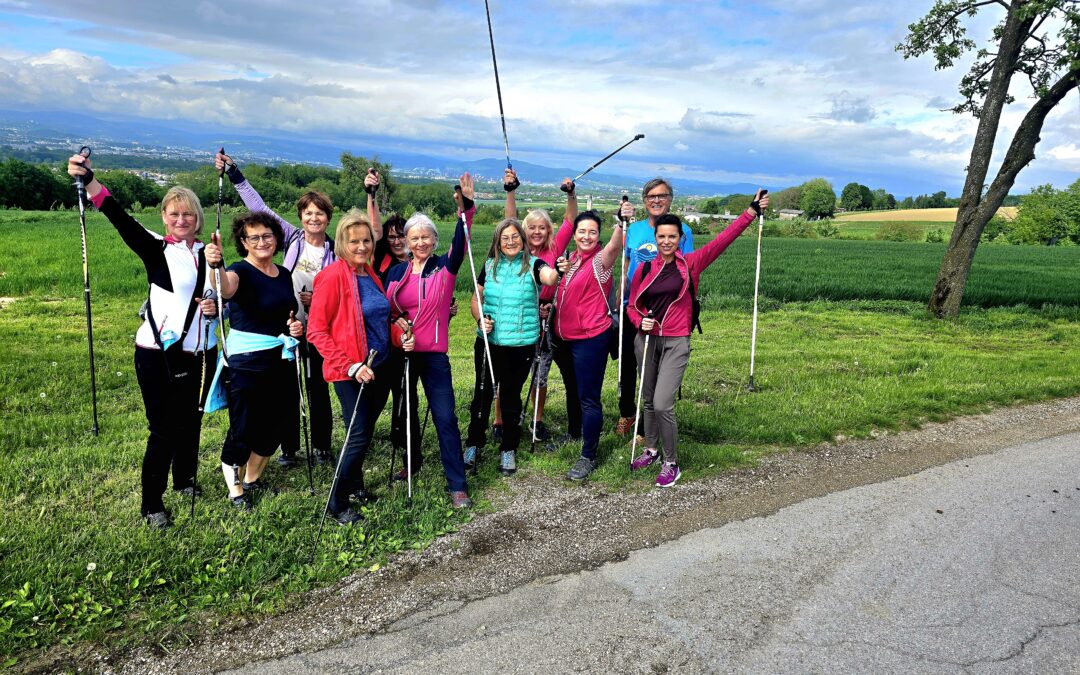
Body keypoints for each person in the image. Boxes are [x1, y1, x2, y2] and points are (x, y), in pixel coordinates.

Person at [67, 154, 218, 529]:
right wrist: (88, 180)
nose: (181, 220)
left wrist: (217, 306)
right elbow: (118, 215)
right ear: (164, 217)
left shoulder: (209, 253)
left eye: (188, 214)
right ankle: (152, 504)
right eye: (173, 214)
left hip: (203, 351)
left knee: (192, 421)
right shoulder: (156, 248)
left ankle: (185, 481)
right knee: (165, 427)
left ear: (198, 218)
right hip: (159, 354)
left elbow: (223, 295)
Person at [215, 150, 381, 467]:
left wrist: (370, 193)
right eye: (308, 213)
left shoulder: (338, 252)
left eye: (320, 214)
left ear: (328, 218)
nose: (314, 218)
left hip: (320, 330)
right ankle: (289, 448)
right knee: (288, 390)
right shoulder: (290, 238)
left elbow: (363, 250)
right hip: (284, 326)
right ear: (301, 216)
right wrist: (235, 174)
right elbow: (259, 208)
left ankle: (321, 446)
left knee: (318, 388)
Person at [627, 191, 770, 487]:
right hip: (646, 340)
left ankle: (671, 462)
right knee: (649, 399)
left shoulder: (690, 264)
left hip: (676, 341)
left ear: (680, 238)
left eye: (672, 237)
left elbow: (722, 241)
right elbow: (631, 306)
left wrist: (750, 212)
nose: (666, 241)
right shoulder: (644, 268)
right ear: (655, 237)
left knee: (664, 402)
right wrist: (640, 320)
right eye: (662, 236)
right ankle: (651, 449)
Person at [383, 174, 477, 508]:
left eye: (426, 237)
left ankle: (457, 483)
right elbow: (387, 311)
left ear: (433, 240)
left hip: (434, 356)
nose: (420, 242)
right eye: (414, 238)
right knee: (405, 413)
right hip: (402, 354)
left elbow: (462, 237)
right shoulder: (396, 273)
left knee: (445, 417)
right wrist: (398, 327)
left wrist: (465, 207)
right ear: (406, 242)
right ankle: (413, 461)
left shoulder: (445, 268)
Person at [204, 212, 305, 510]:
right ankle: (235, 489)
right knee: (245, 425)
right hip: (247, 361)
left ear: (276, 239)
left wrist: (294, 327)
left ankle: (252, 478)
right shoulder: (239, 271)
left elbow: (285, 314)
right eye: (254, 237)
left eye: (267, 236)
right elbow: (225, 288)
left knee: (278, 423)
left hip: (281, 357)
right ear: (244, 242)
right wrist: (215, 264)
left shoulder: (284, 274)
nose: (262, 242)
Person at [307, 209, 391, 524]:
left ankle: (356, 486)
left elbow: (380, 316)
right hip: (352, 371)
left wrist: (400, 328)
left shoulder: (369, 274)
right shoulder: (331, 277)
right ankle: (337, 502)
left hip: (379, 366)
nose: (361, 247)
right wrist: (351, 365)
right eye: (354, 241)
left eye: (366, 240)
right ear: (342, 242)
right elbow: (317, 330)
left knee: (366, 430)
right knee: (357, 433)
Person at [463, 216, 560, 475]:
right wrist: (479, 318)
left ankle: (509, 448)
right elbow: (476, 298)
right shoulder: (489, 265)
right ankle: (474, 444)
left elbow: (549, 277)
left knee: (510, 398)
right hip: (488, 343)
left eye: (515, 237)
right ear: (498, 241)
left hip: (520, 345)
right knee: (482, 396)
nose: (510, 241)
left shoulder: (533, 265)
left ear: (523, 239)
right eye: (505, 238)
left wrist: (558, 270)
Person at [489, 169, 578, 444]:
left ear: (549, 231)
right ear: (523, 232)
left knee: (541, 373)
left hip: (547, 317)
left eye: (542, 227)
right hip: (517, 317)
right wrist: (510, 191)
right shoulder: (517, 250)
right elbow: (508, 220)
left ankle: (536, 421)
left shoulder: (555, 247)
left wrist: (571, 195)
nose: (537, 232)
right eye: (531, 228)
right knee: (508, 373)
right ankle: (499, 420)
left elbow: (571, 220)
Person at [616, 178, 695, 436]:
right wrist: (620, 297)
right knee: (628, 364)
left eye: (662, 196)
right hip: (634, 309)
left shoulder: (681, 231)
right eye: (651, 196)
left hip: (666, 311)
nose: (657, 200)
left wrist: (689, 305)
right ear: (644, 201)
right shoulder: (634, 229)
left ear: (670, 199)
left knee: (655, 370)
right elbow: (625, 266)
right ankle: (627, 414)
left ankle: (648, 424)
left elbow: (691, 270)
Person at [552, 210, 625, 481]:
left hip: (590, 339)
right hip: (566, 338)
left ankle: (588, 455)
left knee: (589, 399)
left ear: (598, 236)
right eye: (582, 231)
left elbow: (614, 248)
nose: (586, 236)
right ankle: (574, 432)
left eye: (592, 232)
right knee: (574, 390)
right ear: (575, 234)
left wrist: (620, 224)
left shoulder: (599, 262)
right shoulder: (570, 259)